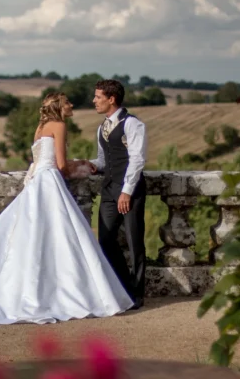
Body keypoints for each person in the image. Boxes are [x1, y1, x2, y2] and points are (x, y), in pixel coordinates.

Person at [0, 92, 134, 324]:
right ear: (60, 107)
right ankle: (61, 292)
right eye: (69, 102)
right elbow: (61, 165)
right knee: (60, 237)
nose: (72, 105)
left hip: (37, 181)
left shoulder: (40, 127)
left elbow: (39, 159)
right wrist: (82, 165)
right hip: (50, 182)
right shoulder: (59, 125)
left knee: (30, 237)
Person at [89, 79, 148, 309]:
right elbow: (104, 161)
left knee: (135, 242)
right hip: (108, 190)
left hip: (129, 192)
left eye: (98, 97)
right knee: (104, 240)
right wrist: (90, 165)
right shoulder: (101, 128)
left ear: (111, 99)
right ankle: (124, 286)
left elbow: (137, 160)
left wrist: (126, 192)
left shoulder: (133, 124)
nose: (94, 101)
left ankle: (138, 295)